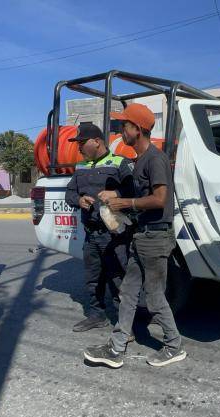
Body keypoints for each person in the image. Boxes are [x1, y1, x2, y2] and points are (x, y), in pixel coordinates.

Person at [83, 103, 186, 368]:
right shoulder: (139, 160)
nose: (120, 131)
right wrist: (118, 196)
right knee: (128, 292)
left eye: (123, 126)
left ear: (137, 129)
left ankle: (174, 346)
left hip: (155, 238)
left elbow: (160, 199)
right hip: (142, 236)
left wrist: (125, 203)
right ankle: (116, 349)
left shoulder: (154, 158)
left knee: (153, 297)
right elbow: (142, 194)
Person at [65, 123, 135, 332]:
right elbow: (69, 194)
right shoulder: (80, 167)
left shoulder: (120, 163)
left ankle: (125, 325)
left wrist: (117, 194)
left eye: (81, 143)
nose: (78, 147)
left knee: (118, 278)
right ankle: (97, 316)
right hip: (91, 235)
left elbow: (135, 191)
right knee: (93, 278)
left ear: (97, 141)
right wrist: (79, 200)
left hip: (114, 234)